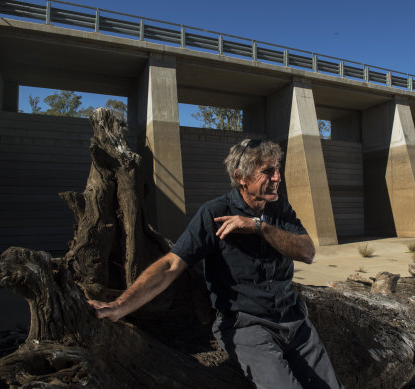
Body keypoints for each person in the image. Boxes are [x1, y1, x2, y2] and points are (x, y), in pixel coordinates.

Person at [88, 138, 343, 389]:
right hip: (248, 326)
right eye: (267, 171)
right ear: (241, 177)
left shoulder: (279, 208)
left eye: (277, 169)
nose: (277, 177)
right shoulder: (214, 213)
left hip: (296, 323)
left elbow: (308, 253)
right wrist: (120, 306)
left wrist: (258, 227)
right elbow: (171, 265)